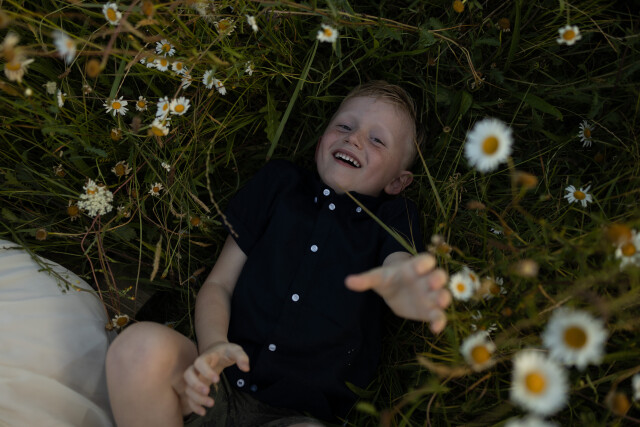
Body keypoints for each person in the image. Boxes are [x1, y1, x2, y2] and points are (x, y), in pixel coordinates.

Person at [105, 81, 451, 427]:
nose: (354, 139)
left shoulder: (392, 218)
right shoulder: (280, 184)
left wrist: (405, 284)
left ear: (397, 182)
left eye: (377, 140)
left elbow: (399, 264)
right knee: (138, 348)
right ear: (321, 142)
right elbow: (220, 284)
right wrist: (212, 347)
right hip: (214, 387)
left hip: (297, 414)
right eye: (345, 126)